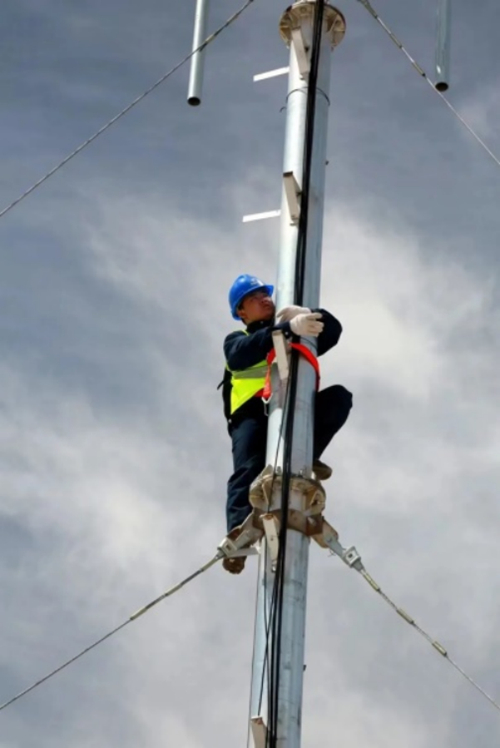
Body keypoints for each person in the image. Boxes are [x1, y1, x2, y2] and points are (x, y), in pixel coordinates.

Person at [220, 274, 353, 574]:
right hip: (251, 412)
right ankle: (238, 535)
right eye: (254, 298)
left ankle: (308, 452)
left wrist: (309, 315)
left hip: (292, 406)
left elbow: (332, 331)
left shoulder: (294, 331)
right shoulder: (238, 339)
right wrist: (286, 329)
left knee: (339, 398)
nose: (264, 299)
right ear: (241, 311)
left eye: (265, 294)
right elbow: (240, 355)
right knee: (248, 469)